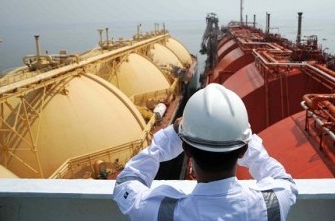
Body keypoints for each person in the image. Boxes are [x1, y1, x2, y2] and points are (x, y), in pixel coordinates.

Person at [113, 83, 297, 220]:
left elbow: (126, 182)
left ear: (186, 150)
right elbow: (285, 181)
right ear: (243, 149)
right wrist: (243, 135)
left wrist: (171, 135)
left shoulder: (162, 212)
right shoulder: (272, 204)